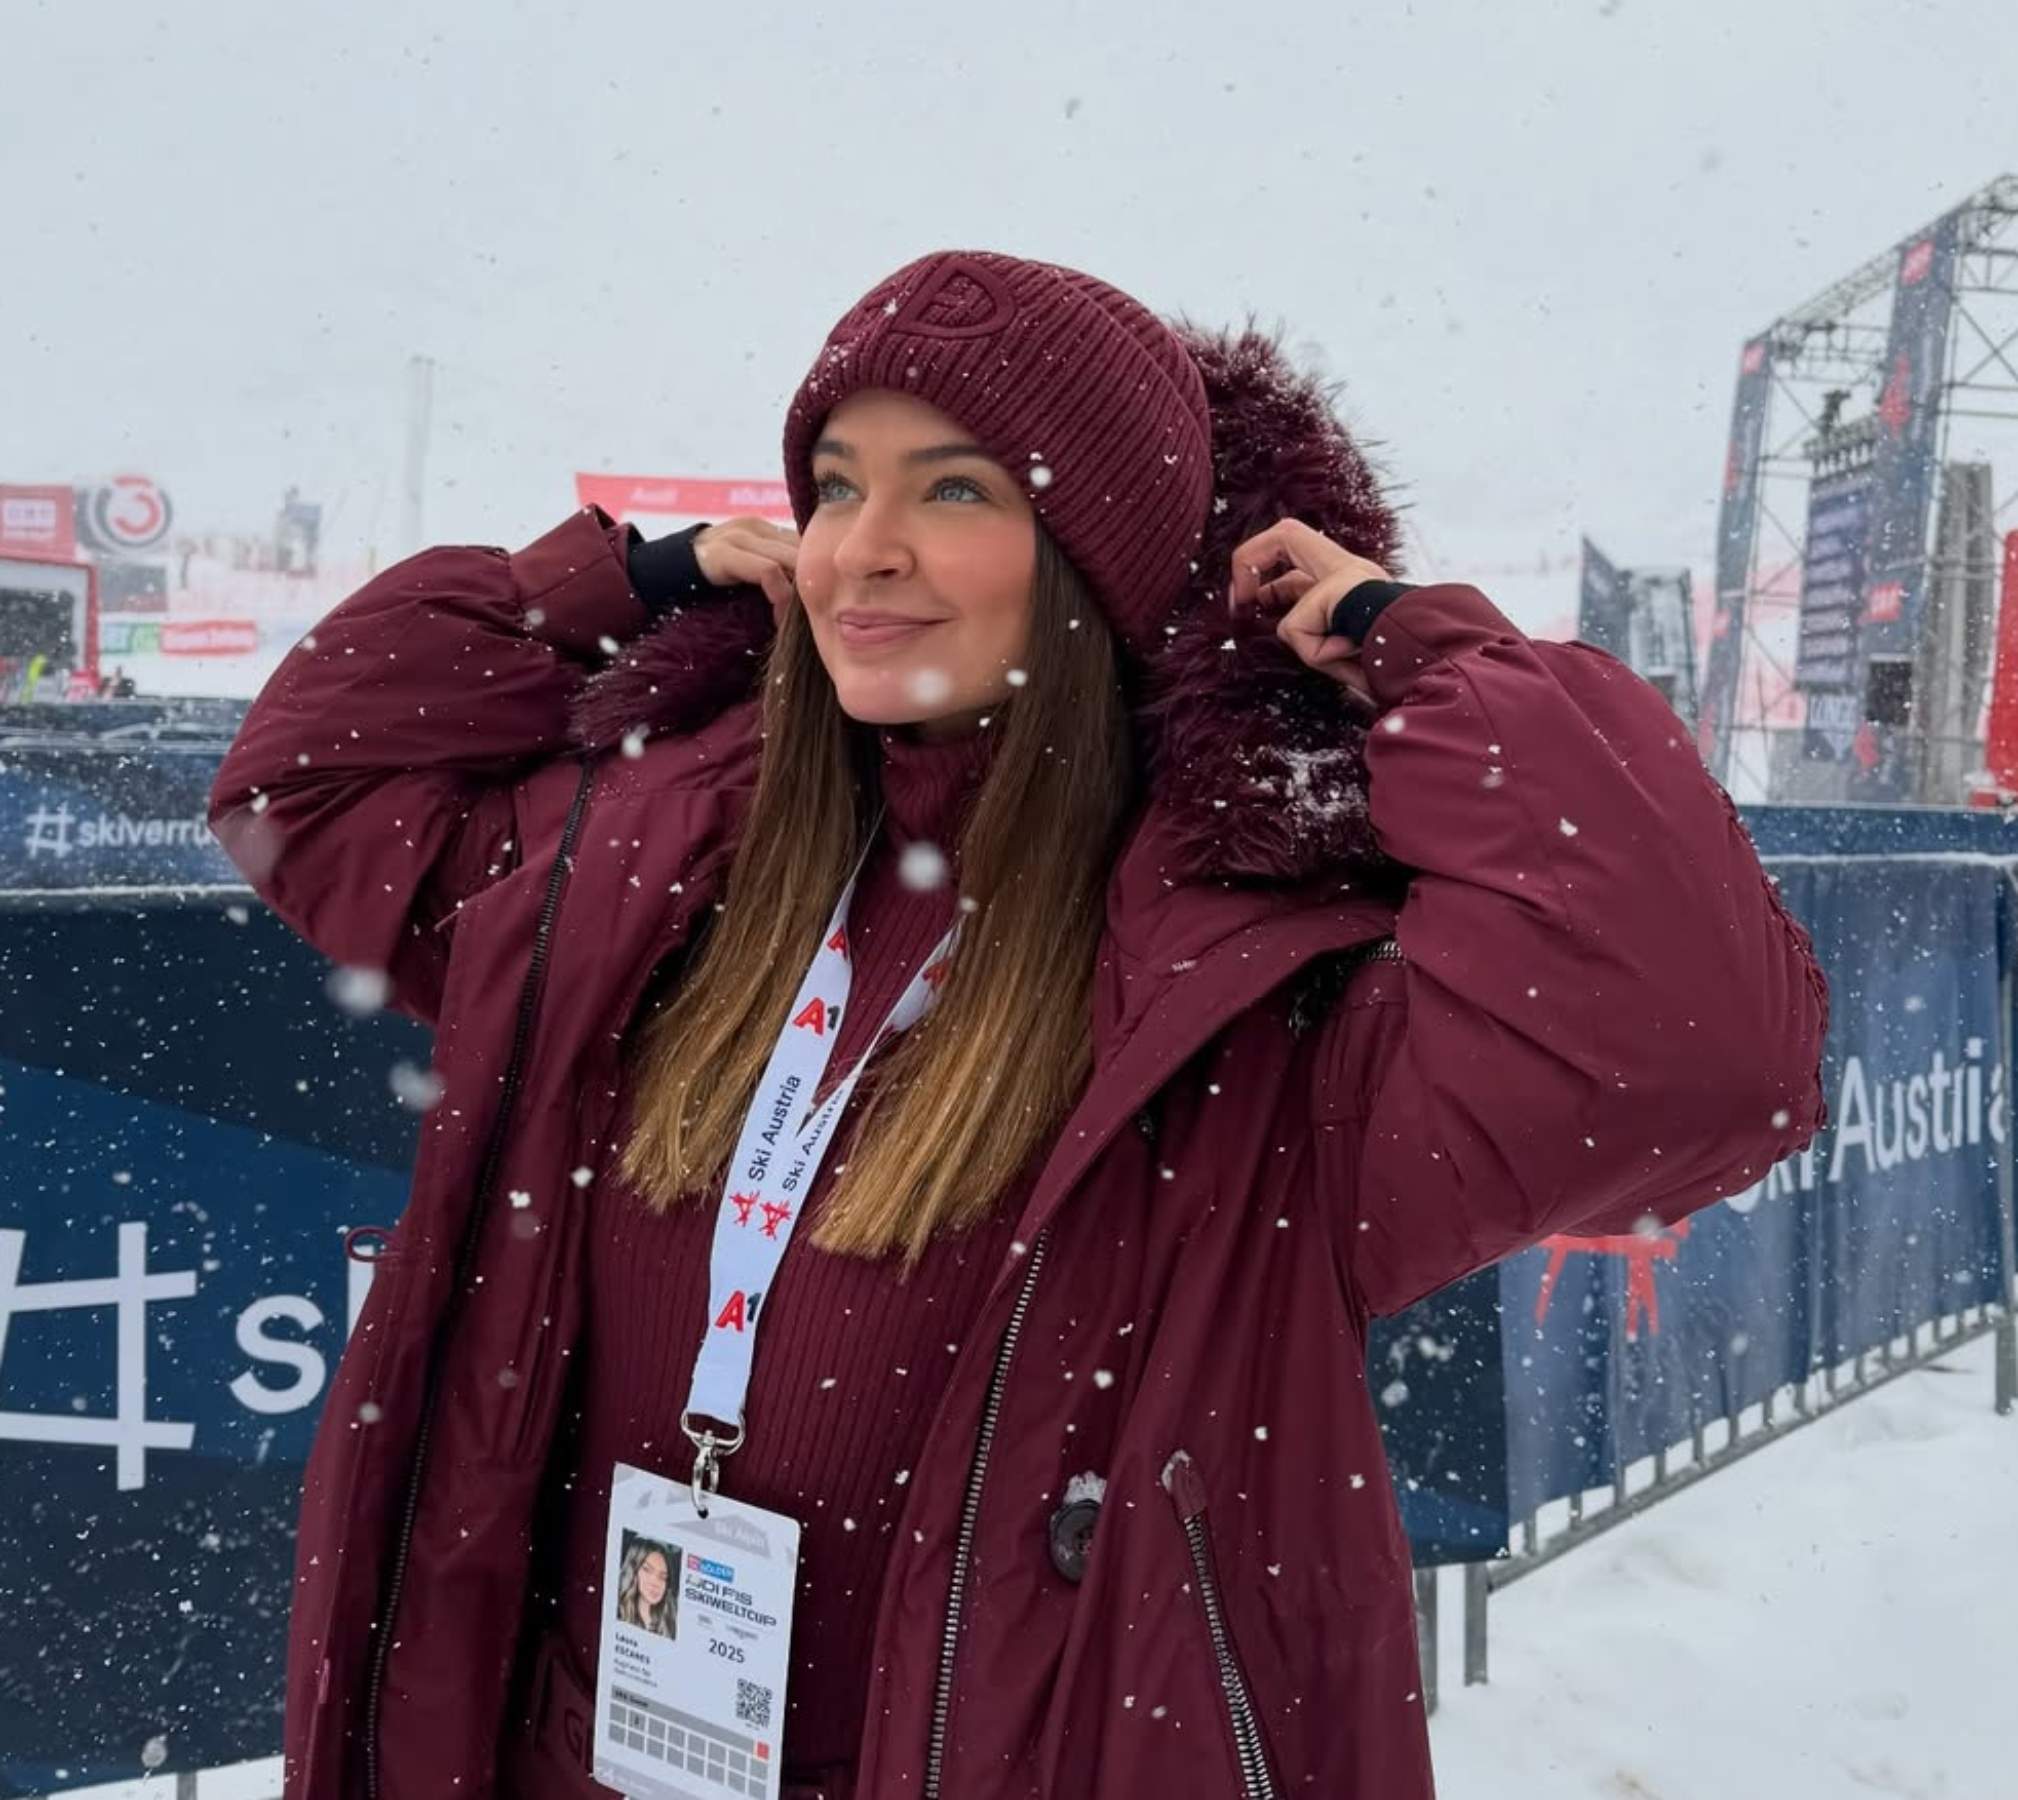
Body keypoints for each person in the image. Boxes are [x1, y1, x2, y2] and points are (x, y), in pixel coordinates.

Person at [210, 249, 1827, 1800]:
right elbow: (307, 791)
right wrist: (618, 578)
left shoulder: (1242, 1003)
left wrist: (1414, 649)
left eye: (953, 489)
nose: (863, 547)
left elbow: (1691, 1055)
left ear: (1098, 567)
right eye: (836, 485)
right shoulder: (651, 871)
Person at [613, 1539, 676, 1639]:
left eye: (662, 1577)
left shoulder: (671, 1623)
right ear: (633, 1571)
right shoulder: (616, 1612)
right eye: (647, 1570)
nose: (656, 1583)